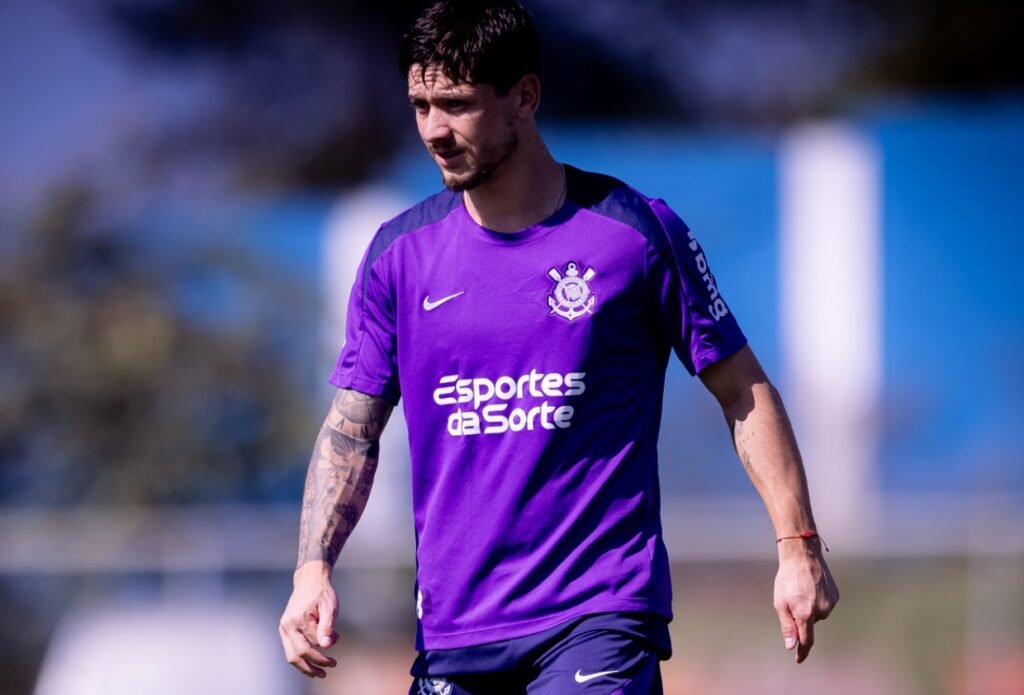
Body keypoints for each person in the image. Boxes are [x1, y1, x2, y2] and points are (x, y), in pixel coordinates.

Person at [278, 1, 839, 692]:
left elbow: (743, 391)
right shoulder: (400, 256)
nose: (434, 131)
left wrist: (797, 545)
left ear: (524, 96)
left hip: (597, 612)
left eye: (457, 104)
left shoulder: (633, 235)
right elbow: (351, 429)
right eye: (421, 106)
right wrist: (313, 570)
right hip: (456, 630)